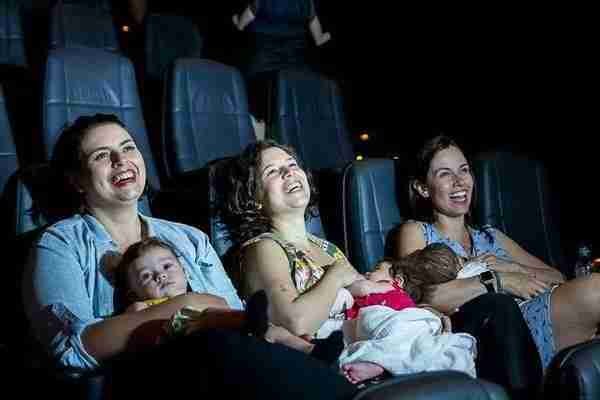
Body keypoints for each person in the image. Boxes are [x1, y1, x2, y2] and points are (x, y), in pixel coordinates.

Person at [22, 114, 356, 399]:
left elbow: (237, 315)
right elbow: (71, 349)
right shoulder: (59, 242)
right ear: (77, 181)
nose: (121, 161)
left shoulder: (189, 237)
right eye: (101, 155)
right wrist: (181, 306)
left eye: (127, 148)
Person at [220, 141, 480, 385]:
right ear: (254, 197)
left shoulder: (329, 249)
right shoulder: (263, 248)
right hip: (319, 368)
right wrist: (335, 276)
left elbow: (366, 301)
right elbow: (295, 323)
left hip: (363, 341)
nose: (289, 173)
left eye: (292, 165)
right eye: (273, 171)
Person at [395, 135, 600, 388]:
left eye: (464, 170)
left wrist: (512, 268)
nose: (460, 182)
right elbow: (416, 296)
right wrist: (498, 281)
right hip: (483, 330)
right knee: (594, 291)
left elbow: (557, 278)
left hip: (534, 314)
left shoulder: (491, 236)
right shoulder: (417, 231)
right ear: (423, 188)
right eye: (445, 174)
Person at [115, 236, 345, 363]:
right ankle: (250, 321)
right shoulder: (141, 305)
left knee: (274, 331)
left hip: (224, 333)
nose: (160, 275)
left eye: (167, 266)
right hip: (181, 335)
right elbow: (130, 332)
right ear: (133, 292)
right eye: (146, 276)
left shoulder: (199, 296)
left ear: (185, 272)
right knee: (209, 316)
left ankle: (311, 350)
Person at [336, 259, 477, 384]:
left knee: (410, 340)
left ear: (398, 281)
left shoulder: (388, 288)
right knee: (420, 348)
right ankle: (385, 363)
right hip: (394, 325)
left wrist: (348, 282)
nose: (367, 272)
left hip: (401, 321)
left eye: (376, 269)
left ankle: (380, 362)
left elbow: (362, 288)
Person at [232, 0, 331, 46]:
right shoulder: (307, 3)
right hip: (294, 60)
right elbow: (318, 38)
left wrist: (239, 24)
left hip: (262, 56)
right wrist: (325, 36)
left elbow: (247, 17)